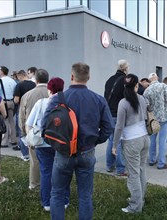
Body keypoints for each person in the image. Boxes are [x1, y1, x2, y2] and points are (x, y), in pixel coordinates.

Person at [42, 62, 113, 220]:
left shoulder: (58, 99)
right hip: (87, 152)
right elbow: (109, 127)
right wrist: (95, 141)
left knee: (58, 193)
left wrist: (56, 143)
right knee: (85, 196)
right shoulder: (98, 100)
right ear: (88, 77)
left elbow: (44, 125)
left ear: (71, 76)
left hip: (63, 153)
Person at [26, 77, 69, 212]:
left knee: (45, 172)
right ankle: (64, 200)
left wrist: (30, 138)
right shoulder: (67, 103)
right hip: (61, 143)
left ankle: (47, 203)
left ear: (49, 89)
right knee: (62, 172)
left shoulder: (41, 103)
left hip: (43, 143)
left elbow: (29, 123)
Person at [112, 74, 149, 213]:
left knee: (133, 174)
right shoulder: (142, 99)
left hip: (132, 141)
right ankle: (140, 199)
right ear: (136, 86)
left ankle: (135, 206)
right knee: (140, 170)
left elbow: (119, 126)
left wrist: (115, 145)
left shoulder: (123, 102)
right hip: (145, 138)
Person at [19, 68, 49, 189]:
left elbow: (22, 117)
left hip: (33, 132)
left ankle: (35, 183)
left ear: (36, 80)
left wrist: (24, 133)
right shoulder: (52, 93)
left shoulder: (27, 95)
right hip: (52, 133)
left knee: (34, 161)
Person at [143, 73, 167, 170]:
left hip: (153, 118)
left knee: (152, 139)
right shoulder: (163, 86)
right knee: (162, 140)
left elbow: (147, 107)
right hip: (164, 117)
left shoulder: (147, 91)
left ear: (149, 80)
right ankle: (161, 163)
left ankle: (152, 160)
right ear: (157, 78)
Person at [104, 59, 128, 175]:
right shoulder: (124, 81)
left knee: (111, 140)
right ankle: (120, 169)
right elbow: (126, 98)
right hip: (119, 114)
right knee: (118, 141)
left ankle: (109, 165)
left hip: (109, 114)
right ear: (125, 69)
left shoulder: (109, 80)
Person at [12, 70, 36, 160]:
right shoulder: (34, 84)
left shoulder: (19, 85)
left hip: (22, 109)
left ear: (20, 76)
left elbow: (16, 100)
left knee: (22, 130)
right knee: (33, 129)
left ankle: (25, 154)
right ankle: (33, 152)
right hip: (33, 108)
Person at [0, 66, 18, 148]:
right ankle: (14, 140)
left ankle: (4, 142)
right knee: (11, 121)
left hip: (3, 102)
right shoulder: (12, 81)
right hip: (11, 102)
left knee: (4, 121)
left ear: (2, 72)